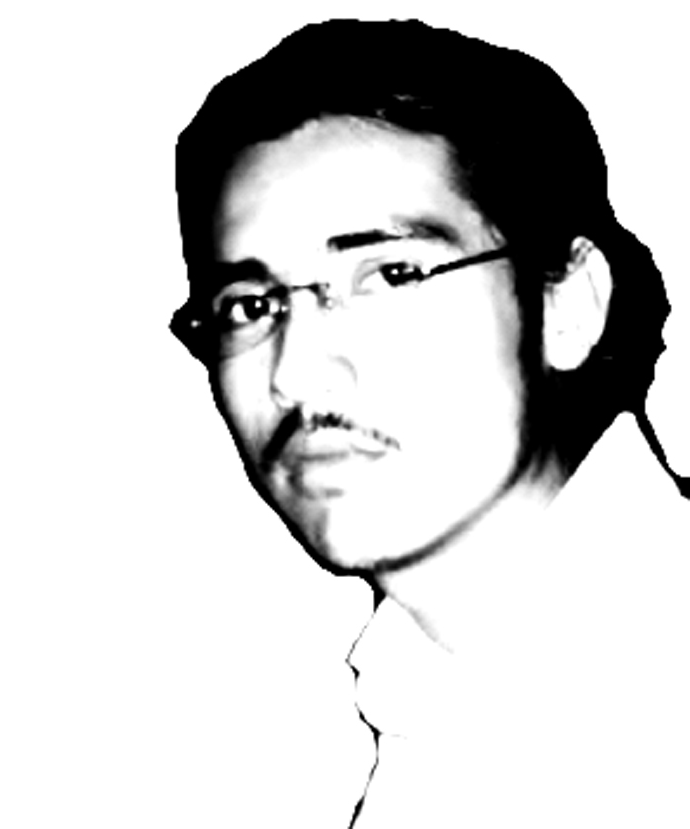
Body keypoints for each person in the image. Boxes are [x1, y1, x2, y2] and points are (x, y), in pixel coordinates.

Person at [170, 18, 690, 827]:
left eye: (390, 274)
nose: (294, 371)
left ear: (567, 304)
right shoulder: (422, 699)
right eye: (249, 306)